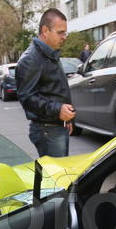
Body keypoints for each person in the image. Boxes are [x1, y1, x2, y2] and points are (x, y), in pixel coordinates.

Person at [16, 8, 76, 158]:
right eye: (60, 32)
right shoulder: (31, 59)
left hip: (54, 126)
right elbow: (27, 98)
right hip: (47, 130)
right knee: (57, 179)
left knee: (54, 177)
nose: (64, 37)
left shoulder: (49, 54)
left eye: (65, 33)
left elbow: (55, 90)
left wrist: (66, 120)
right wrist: (58, 110)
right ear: (45, 30)